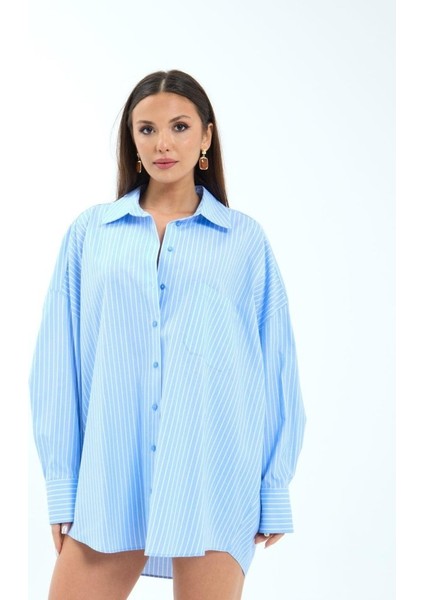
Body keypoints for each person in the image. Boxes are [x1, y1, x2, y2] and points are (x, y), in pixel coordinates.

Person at [30, 69, 306, 600]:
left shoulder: (244, 241)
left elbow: (276, 370)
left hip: (214, 478)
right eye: (147, 129)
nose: (163, 143)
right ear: (132, 141)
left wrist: (274, 487)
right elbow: (55, 367)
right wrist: (62, 485)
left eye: (179, 127)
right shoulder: (91, 234)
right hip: (110, 481)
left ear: (206, 136)